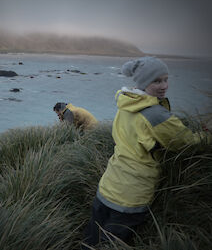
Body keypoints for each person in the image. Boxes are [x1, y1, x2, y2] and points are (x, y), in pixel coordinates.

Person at [83, 56, 211, 248]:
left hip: (108, 186)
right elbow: (187, 143)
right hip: (131, 196)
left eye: (166, 79)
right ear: (143, 82)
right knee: (112, 245)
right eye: (157, 81)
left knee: (91, 240)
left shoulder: (125, 104)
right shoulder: (156, 115)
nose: (164, 86)